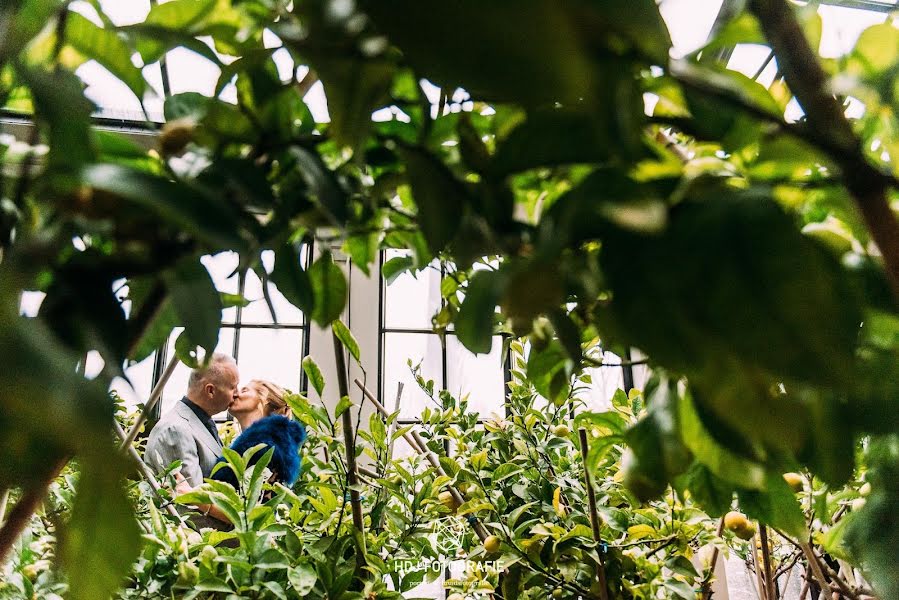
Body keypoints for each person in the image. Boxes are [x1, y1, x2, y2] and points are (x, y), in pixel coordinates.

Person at [145, 353, 239, 487]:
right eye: (233, 387)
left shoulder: (200, 422)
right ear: (210, 391)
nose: (237, 393)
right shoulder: (175, 430)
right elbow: (188, 502)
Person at [211, 380, 306, 488]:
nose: (235, 394)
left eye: (244, 390)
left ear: (264, 400)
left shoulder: (266, 449)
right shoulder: (273, 445)